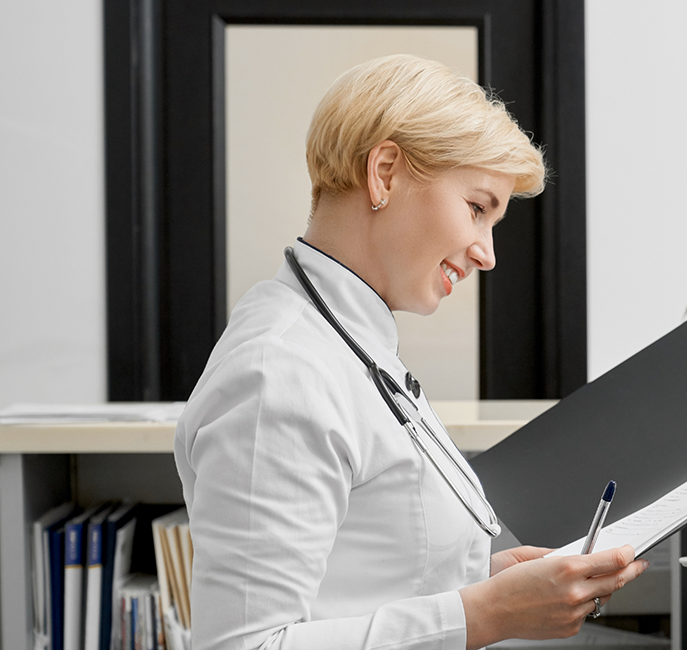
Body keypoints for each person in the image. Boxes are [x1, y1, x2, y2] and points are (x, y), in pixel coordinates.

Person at [173, 54, 647, 650]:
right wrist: (485, 615)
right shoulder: (279, 373)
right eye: (477, 209)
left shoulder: (353, 342)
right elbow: (244, 646)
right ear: (386, 172)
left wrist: (486, 583)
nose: (486, 254)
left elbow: (362, 578)